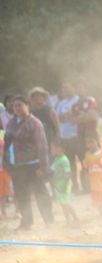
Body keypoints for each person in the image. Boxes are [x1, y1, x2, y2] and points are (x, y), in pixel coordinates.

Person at [2, 96, 52, 230]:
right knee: (21, 194)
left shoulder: (35, 123)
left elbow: (42, 145)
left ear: (27, 105)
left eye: (20, 105)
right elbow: (6, 143)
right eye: (15, 106)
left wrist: (43, 166)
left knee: (40, 193)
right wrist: (6, 161)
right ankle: (26, 222)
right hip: (17, 165)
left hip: (33, 164)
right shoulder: (11, 123)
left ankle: (49, 221)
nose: (17, 108)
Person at [55, 82, 82, 193]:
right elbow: (58, 118)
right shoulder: (61, 103)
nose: (65, 91)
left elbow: (79, 114)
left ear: (73, 88)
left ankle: (87, 184)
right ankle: (75, 186)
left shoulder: (78, 100)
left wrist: (68, 116)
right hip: (65, 136)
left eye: (67, 88)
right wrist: (68, 115)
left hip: (77, 135)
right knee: (70, 163)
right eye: (63, 89)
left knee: (82, 159)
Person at [82, 135, 102, 218]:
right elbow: (86, 168)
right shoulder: (87, 155)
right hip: (93, 181)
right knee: (98, 200)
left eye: (92, 142)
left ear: (96, 142)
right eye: (88, 143)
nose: (90, 145)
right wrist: (87, 180)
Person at [50, 140, 78, 222]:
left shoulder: (64, 160)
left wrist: (64, 186)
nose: (51, 151)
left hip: (64, 185)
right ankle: (68, 220)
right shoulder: (56, 159)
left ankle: (75, 218)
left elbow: (68, 174)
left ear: (59, 149)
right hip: (59, 185)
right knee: (63, 204)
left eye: (53, 148)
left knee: (66, 204)